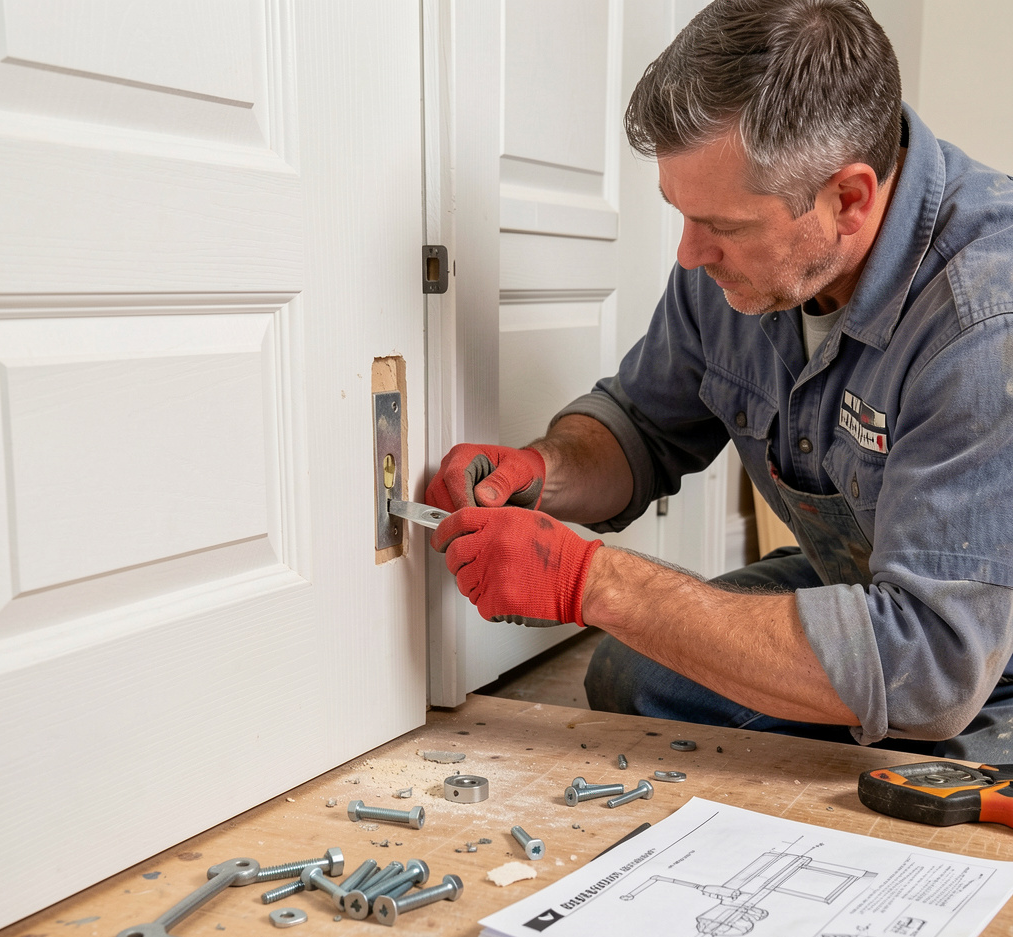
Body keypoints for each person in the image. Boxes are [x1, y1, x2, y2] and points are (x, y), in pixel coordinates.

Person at [424, 0, 1013, 762]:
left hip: (972, 651)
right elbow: (642, 423)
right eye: (680, 212)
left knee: (927, 794)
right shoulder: (737, 268)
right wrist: (545, 472)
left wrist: (591, 582)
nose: (690, 254)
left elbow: (932, 664)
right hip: (879, 588)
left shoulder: (983, 321)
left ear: (849, 198)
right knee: (643, 678)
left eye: (726, 228)